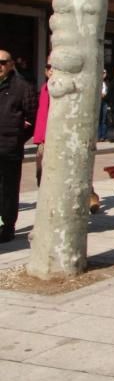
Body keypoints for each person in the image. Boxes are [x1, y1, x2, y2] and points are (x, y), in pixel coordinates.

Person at [0, 50, 36, 242]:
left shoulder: (22, 87)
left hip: (9, 148)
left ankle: (7, 226)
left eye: (3, 62)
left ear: (11, 64)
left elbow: (32, 117)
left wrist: (16, 138)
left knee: (8, 189)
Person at [33, 59, 52, 185]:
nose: (52, 71)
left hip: (55, 135)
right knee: (41, 169)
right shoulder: (44, 88)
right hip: (43, 136)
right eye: (49, 68)